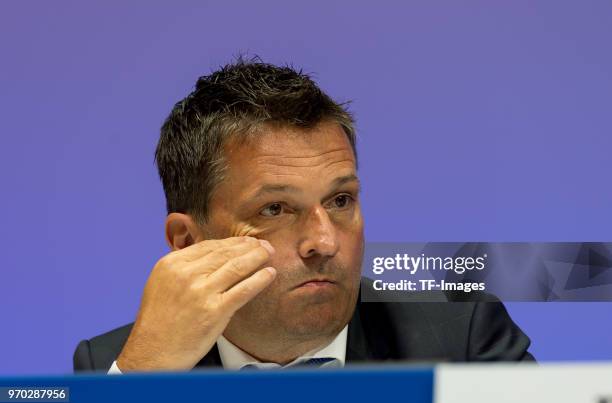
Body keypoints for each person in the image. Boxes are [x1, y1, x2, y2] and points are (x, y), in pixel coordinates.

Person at [73, 58, 534, 373]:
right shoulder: (123, 365)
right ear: (188, 243)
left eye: (340, 201)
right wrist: (143, 379)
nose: (325, 241)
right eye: (275, 209)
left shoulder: (461, 333)